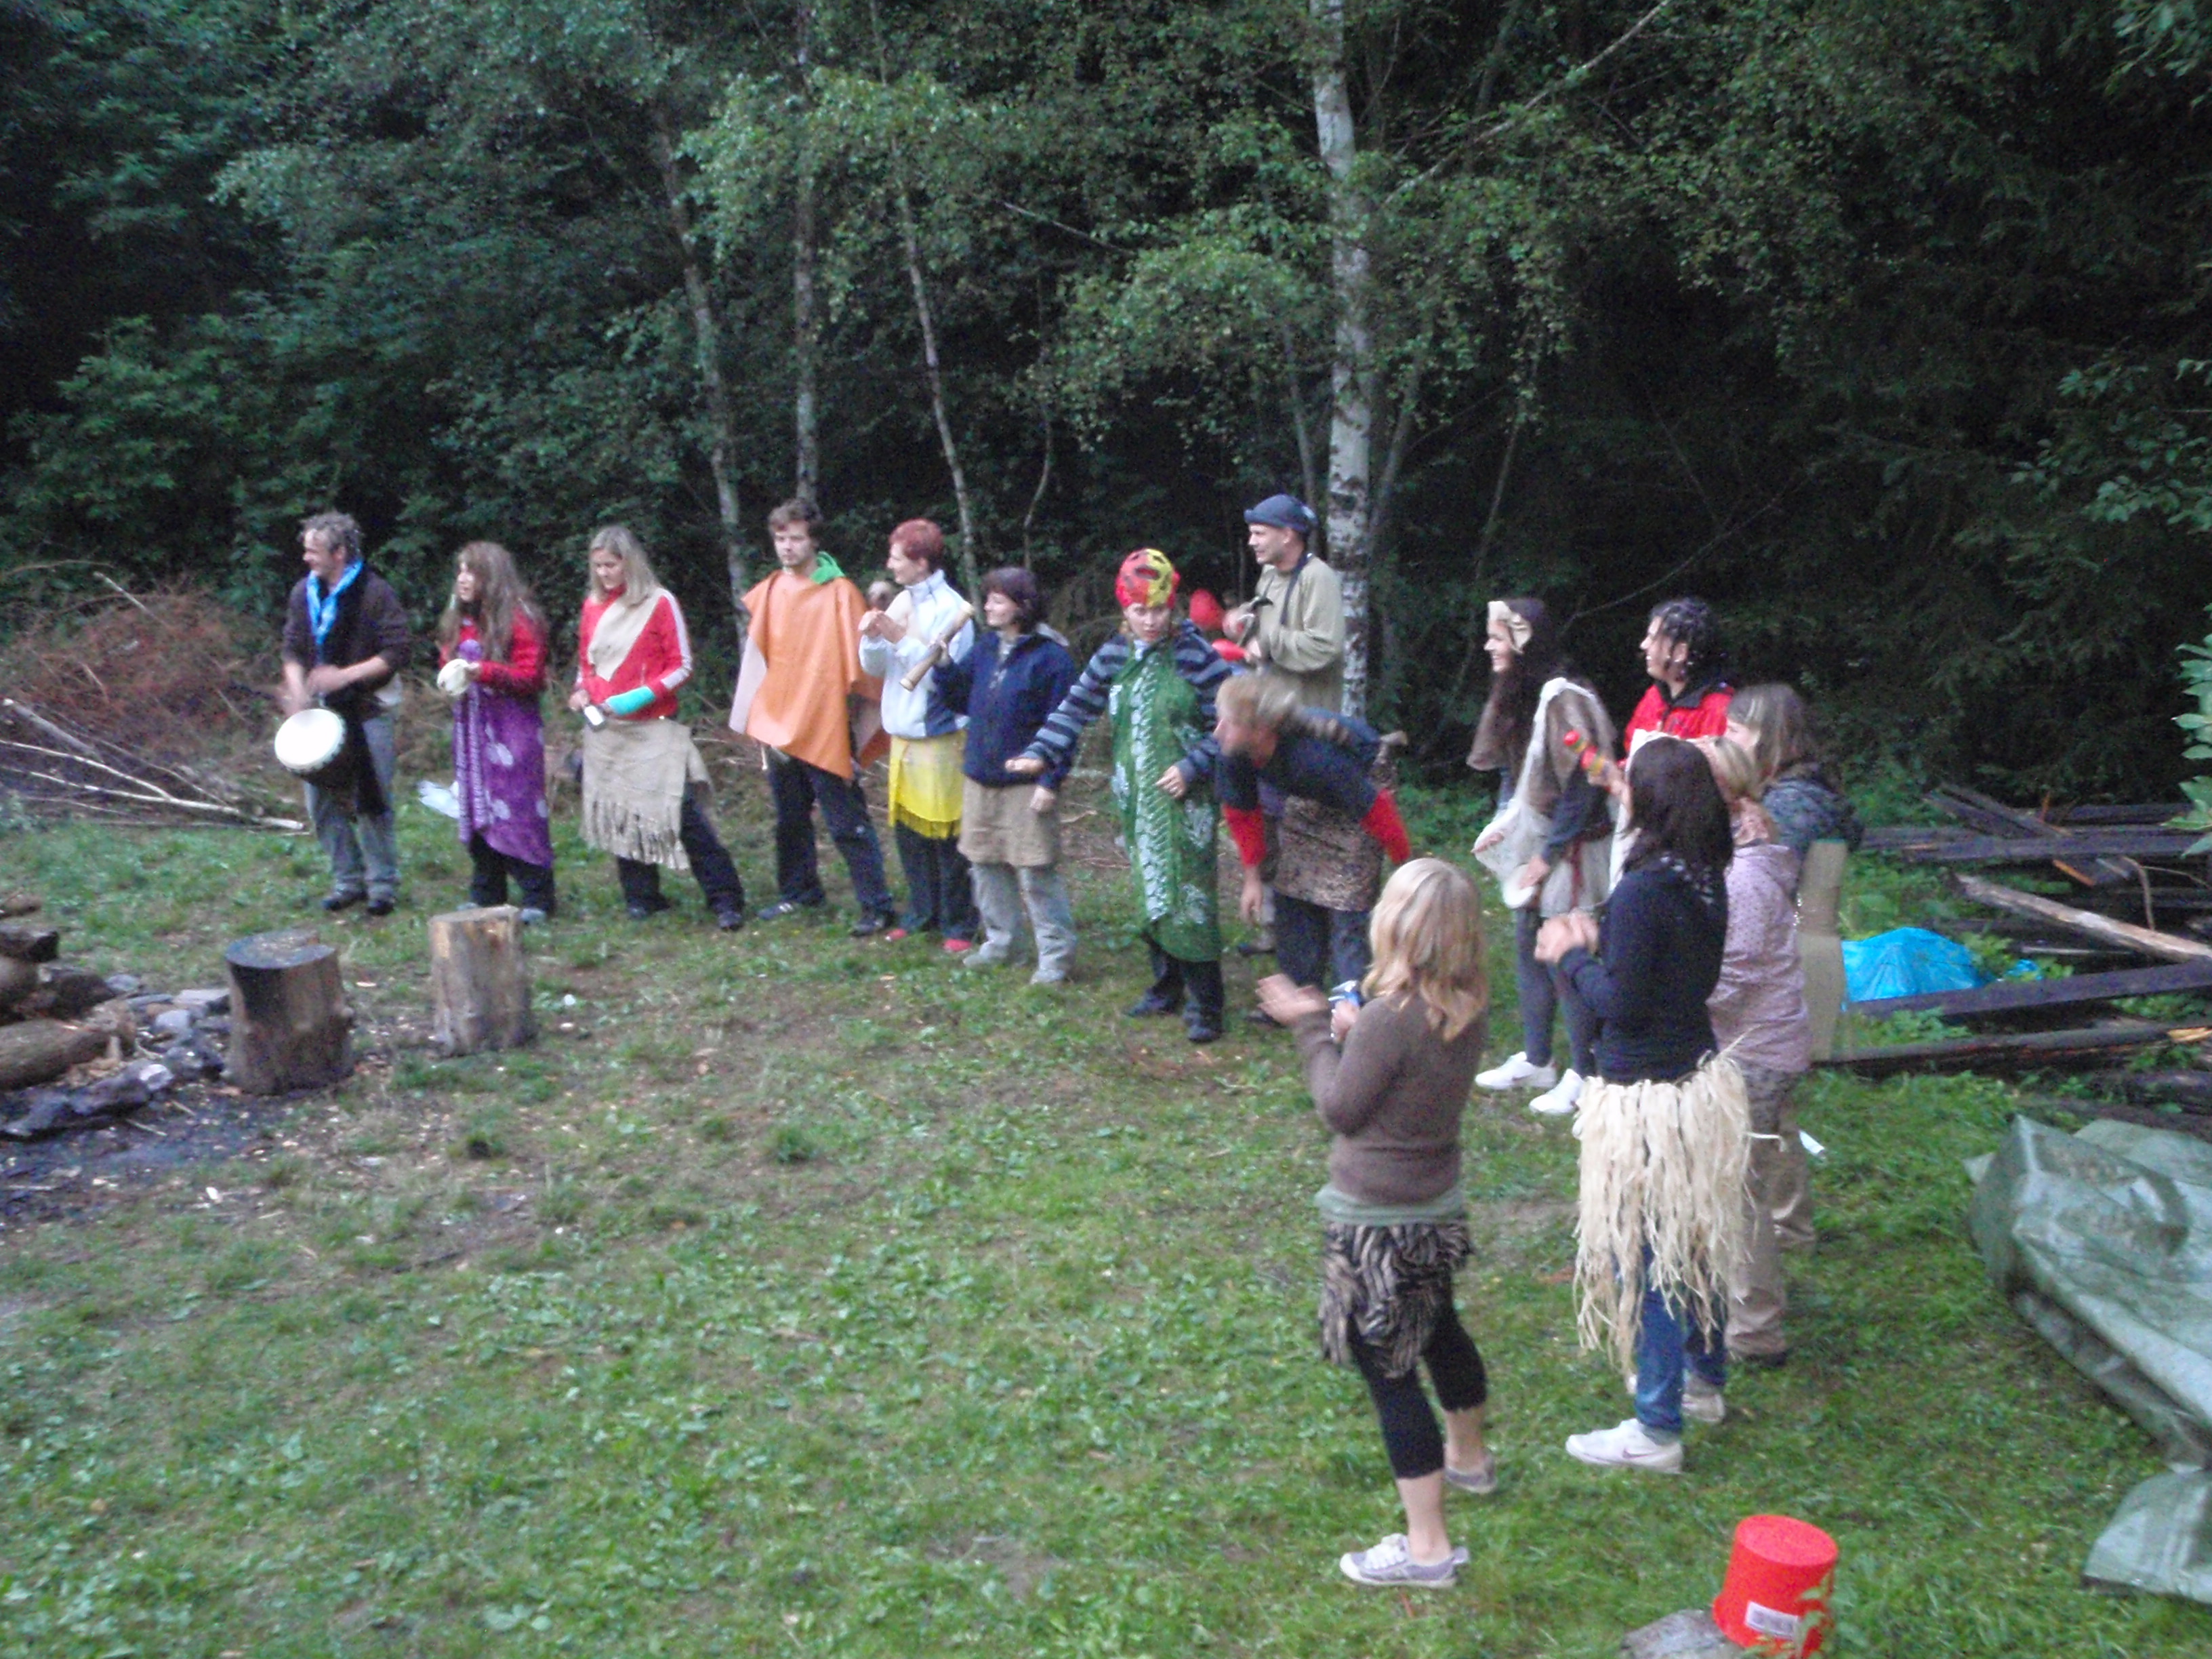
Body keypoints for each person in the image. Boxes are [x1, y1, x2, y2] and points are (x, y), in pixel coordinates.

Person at [1254, 859, 1494, 1588]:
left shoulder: (1390, 1019)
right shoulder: (1466, 1004)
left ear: (1399, 926)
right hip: (1433, 1206)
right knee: (1439, 1328)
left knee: (1389, 1368)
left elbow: (1341, 1108)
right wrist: (1359, 1035)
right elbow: (1407, 1071)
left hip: (1377, 1224)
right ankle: (1470, 1460)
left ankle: (1427, 1550)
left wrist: (1311, 1030)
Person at [1536, 737, 1748, 1474]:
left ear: (1653, 801)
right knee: (1697, 1242)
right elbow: (1669, 974)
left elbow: (1620, 1004)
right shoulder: (1705, 876)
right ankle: (1703, 1382)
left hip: (1646, 1100)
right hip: (1694, 1082)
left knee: (1650, 1255)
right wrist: (1603, 943)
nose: (1620, 787)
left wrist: (1570, 955)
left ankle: (1656, 1429)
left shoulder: (1642, 890)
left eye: (1632, 781)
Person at [1008, 548, 1231, 1042]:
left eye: (1160, 610)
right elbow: (1076, 707)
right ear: (1124, 609)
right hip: (1138, 796)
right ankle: (1166, 987)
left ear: (1173, 606)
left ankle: (1207, 1004)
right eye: (1139, 610)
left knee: (1188, 895)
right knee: (1150, 888)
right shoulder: (1114, 654)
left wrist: (1194, 765)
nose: (1151, 621)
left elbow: (1235, 719)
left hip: (1186, 798)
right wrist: (1041, 753)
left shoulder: (1195, 654)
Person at [1467, 598, 1614, 1117]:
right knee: (1529, 939)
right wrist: (1504, 826)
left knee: (1563, 947)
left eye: (1498, 637)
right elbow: (1519, 773)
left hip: (1573, 844)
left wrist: (1550, 854)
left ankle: (1585, 1073)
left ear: (1523, 640)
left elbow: (1589, 773)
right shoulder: (1519, 695)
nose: (1489, 646)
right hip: (1542, 839)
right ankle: (1537, 1059)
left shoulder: (1563, 699)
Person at [728, 499, 900, 936]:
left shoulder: (839, 593)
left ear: (814, 541)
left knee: (846, 822)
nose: (787, 547)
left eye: (796, 538)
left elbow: (862, 668)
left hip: (826, 724)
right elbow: (761, 659)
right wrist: (756, 715)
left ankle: (877, 905)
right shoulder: (771, 589)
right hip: (780, 722)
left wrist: (856, 729)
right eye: (780, 538)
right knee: (790, 818)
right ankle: (799, 891)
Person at [568, 525, 746, 929]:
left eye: (611, 565)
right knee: (622, 813)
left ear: (629, 562)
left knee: (682, 813)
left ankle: (725, 898)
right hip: (607, 729)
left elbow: (681, 666)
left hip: (653, 726)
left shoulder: (660, 602)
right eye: (598, 566)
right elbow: (586, 665)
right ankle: (642, 897)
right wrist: (581, 692)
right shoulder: (592, 606)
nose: (604, 573)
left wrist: (635, 698)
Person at [1701, 737, 1809, 1368]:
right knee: (1751, 1180)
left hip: (1755, 1051)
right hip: (1769, 1043)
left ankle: (1756, 1329)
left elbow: (1733, 976)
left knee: (1738, 1192)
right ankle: (1756, 1295)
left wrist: (1670, 998)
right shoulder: (1751, 853)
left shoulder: (1744, 877)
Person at [1216, 674, 1412, 998]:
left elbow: (1376, 810)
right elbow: (1243, 815)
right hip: (1310, 794)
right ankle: (1299, 1000)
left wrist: (1407, 872)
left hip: (1362, 786)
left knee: (1348, 903)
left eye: (1230, 722)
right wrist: (1252, 879)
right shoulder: (1232, 751)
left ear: (1261, 730)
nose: (1218, 731)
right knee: (1292, 890)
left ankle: (1352, 1003)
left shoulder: (1317, 760)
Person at [931, 567, 1079, 983]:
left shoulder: (1052, 659)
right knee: (985, 863)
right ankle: (1003, 943)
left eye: (997, 600)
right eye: (988, 599)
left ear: (1023, 606)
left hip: (1026, 784)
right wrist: (943, 665)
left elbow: (1066, 726)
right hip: (981, 776)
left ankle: (1056, 956)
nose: (988, 607)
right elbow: (962, 699)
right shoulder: (986, 647)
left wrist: (1051, 781)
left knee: (1036, 872)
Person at [1224, 493, 1343, 958]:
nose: (1252, 542)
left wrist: (1267, 641)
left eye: (1260, 533)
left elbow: (1324, 648)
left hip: (1307, 729)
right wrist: (1241, 623)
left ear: (1288, 534)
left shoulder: (1319, 579)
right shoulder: (1270, 575)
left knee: (1308, 841)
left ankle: (1319, 942)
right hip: (1269, 730)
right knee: (1270, 828)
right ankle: (1277, 930)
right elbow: (1260, 628)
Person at [279, 511, 412, 916]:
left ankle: (382, 885)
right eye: (306, 550)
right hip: (321, 712)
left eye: (314, 551)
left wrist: (345, 676)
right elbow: (293, 648)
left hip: (368, 708)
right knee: (319, 802)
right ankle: (347, 880)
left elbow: (397, 651)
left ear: (339, 553)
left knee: (372, 798)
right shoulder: (304, 592)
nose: (306, 558)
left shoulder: (375, 592)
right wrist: (298, 690)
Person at [858, 519, 979, 951]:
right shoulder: (902, 600)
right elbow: (877, 669)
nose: (890, 564)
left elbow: (945, 682)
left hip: (940, 738)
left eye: (897, 557)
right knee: (910, 833)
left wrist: (899, 639)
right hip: (903, 739)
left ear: (921, 562)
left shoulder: (953, 609)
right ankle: (922, 914)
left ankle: (959, 924)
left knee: (947, 836)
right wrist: (873, 639)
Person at [434, 540, 556, 922]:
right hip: (471, 731)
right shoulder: (459, 620)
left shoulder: (520, 618)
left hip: (511, 730)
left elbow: (531, 676)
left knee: (517, 806)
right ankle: (487, 891)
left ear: (492, 576)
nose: (463, 579)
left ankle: (537, 896)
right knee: (476, 806)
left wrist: (482, 671)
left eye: (471, 571)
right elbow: (447, 658)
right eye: (460, 570)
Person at [1726, 682, 1862, 861]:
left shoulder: (1791, 804)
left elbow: (1764, 870)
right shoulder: (1797, 792)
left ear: (1768, 737)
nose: (1724, 738)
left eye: (1733, 730)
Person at [1622, 597, 1732, 750]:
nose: (1644, 645)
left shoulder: (1718, 710)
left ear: (1681, 652)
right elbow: (1631, 753)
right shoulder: (1655, 696)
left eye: (1653, 638)